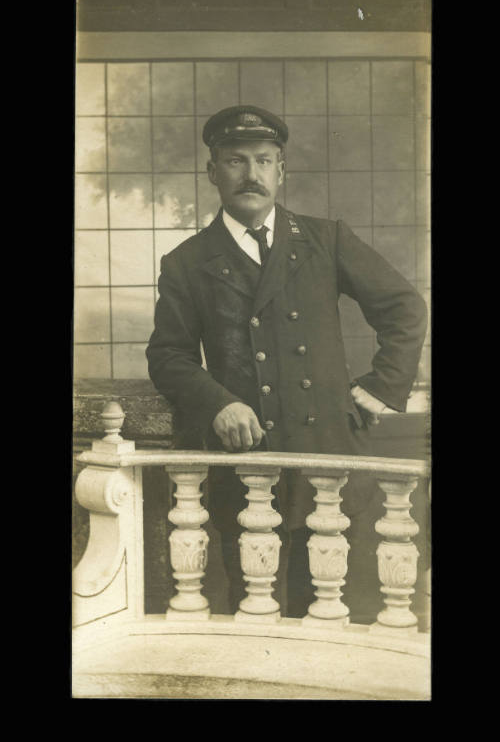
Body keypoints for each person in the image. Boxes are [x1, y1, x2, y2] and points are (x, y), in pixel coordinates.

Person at [146, 105, 428, 620]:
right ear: (213, 172)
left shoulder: (325, 239)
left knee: (324, 597)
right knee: (251, 595)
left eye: (263, 160)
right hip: (246, 454)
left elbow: (405, 308)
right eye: (235, 161)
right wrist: (218, 403)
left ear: (282, 171)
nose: (251, 174)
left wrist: (383, 387)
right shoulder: (187, 262)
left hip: (324, 449)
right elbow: (168, 355)